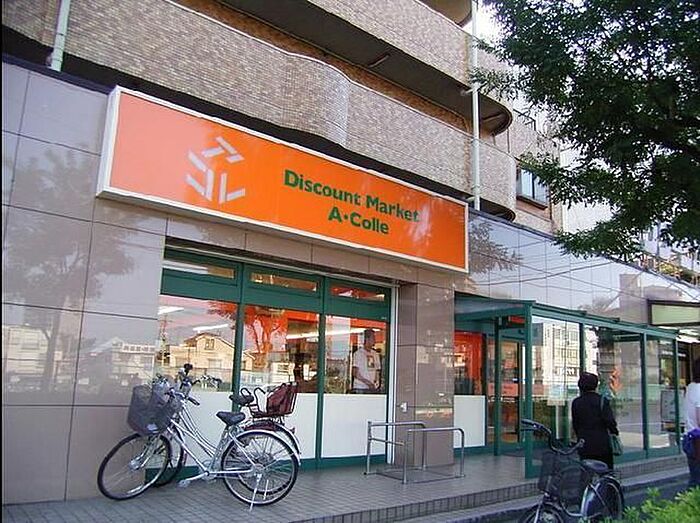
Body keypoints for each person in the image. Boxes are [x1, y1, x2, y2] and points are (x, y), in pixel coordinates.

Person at [572, 371, 619, 470]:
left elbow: (575, 424)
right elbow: (610, 421)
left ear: (580, 386)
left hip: (584, 443)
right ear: (595, 386)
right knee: (606, 471)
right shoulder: (602, 401)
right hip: (602, 443)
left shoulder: (576, 402)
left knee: (585, 471)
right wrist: (614, 432)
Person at [683, 357, 700, 489]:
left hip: (690, 438)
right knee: (697, 480)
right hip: (697, 440)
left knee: (695, 478)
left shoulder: (691, 387)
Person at [352, 329, 381, 393]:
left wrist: (376, 383)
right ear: (367, 339)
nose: (375, 340)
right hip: (360, 387)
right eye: (373, 338)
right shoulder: (358, 353)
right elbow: (355, 372)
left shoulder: (376, 354)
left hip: (373, 388)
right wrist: (367, 383)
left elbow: (377, 371)